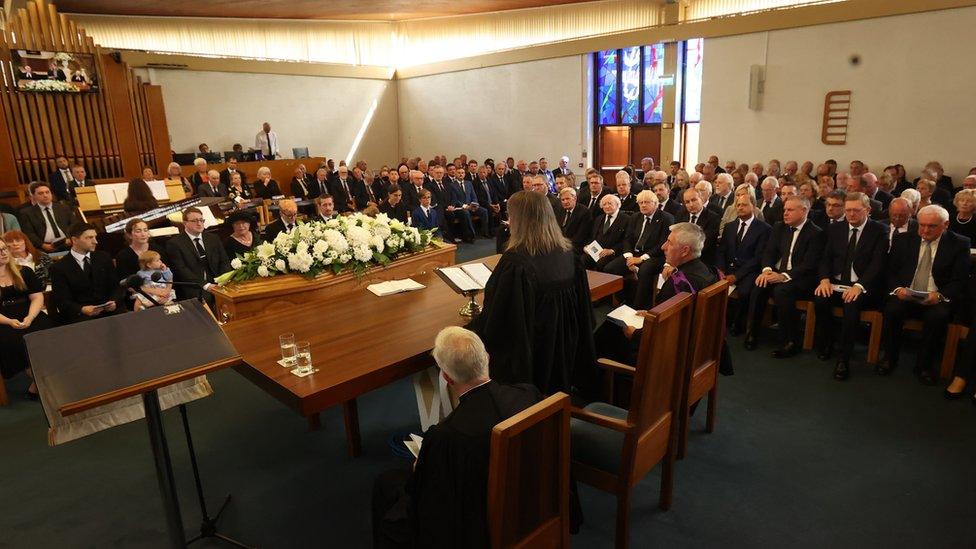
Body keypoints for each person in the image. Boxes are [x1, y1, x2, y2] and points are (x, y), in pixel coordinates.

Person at [371, 327, 541, 548]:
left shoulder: (448, 435)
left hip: (481, 520)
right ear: (487, 358)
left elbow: (430, 495)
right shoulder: (528, 394)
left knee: (386, 483)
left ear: (447, 377)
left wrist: (420, 465)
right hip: (533, 498)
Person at [468, 191, 595, 395]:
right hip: (567, 353)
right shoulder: (570, 255)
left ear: (518, 220)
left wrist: (472, 328)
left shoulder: (516, 263)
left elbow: (501, 323)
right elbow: (585, 313)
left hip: (534, 362)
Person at [592, 223, 719, 366]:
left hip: (665, 356)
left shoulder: (681, 283)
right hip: (691, 344)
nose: (663, 247)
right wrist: (650, 314)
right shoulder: (703, 271)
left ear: (685, 251)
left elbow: (668, 332)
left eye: (669, 243)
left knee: (610, 329)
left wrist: (635, 334)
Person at [878, 205, 971, 385]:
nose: (925, 230)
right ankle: (889, 358)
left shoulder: (959, 243)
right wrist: (898, 289)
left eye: (932, 226)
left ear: (946, 225)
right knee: (892, 310)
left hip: (936, 297)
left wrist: (940, 295)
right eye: (922, 225)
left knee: (938, 316)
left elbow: (960, 280)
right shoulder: (903, 239)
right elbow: (890, 271)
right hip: (906, 294)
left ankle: (925, 365)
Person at [811, 192, 888, 380]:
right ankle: (826, 342)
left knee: (852, 305)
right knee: (820, 298)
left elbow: (877, 264)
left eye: (856, 210)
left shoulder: (879, 231)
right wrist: (824, 279)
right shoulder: (836, 229)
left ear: (868, 210)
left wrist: (860, 285)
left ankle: (843, 358)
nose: (851, 214)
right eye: (848, 210)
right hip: (836, 282)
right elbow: (825, 258)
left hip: (863, 285)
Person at [744, 196, 825, 355]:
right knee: (759, 285)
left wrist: (783, 277)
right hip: (777, 272)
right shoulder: (779, 227)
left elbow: (809, 265)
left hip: (801, 278)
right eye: (785, 210)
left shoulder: (816, 233)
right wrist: (767, 270)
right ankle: (752, 333)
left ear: (804, 211)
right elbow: (769, 252)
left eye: (790, 210)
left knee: (782, 291)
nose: (785, 213)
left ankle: (790, 340)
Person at [0, 239, 53, 400]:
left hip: (29, 312)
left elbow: (37, 297)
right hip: (4, 320)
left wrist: (30, 317)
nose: (3, 253)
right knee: (15, 342)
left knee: (47, 333)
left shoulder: (24, 271)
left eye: (4, 249)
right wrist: (10, 321)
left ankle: (38, 385)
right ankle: (43, 383)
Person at [603, 190, 674, 308]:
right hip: (633, 254)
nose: (643, 205)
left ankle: (639, 306)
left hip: (655, 255)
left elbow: (662, 245)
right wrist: (629, 256)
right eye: (640, 202)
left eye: (647, 202)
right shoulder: (636, 217)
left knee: (644, 270)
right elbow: (627, 239)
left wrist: (640, 259)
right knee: (609, 268)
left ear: (656, 204)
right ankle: (625, 298)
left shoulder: (666, 218)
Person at [717, 194, 771, 335]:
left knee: (745, 291)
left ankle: (738, 323)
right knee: (712, 285)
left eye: (744, 205)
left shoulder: (763, 229)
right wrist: (721, 271)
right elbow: (721, 251)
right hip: (728, 268)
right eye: (738, 205)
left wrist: (736, 276)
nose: (740, 208)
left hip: (749, 270)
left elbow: (758, 258)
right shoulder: (730, 226)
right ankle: (719, 322)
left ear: (753, 206)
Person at [49, 222, 122, 323]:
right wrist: (81, 309)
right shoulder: (59, 267)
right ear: (74, 240)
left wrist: (114, 302)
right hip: (81, 318)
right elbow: (62, 300)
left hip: (110, 313)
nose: (95, 241)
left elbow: (116, 286)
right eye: (89, 237)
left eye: (95, 237)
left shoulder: (104, 257)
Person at [166, 207, 232, 303]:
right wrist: (206, 285)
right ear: (185, 223)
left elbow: (224, 261)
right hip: (194, 285)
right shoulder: (175, 244)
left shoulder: (213, 238)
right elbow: (181, 270)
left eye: (201, 220)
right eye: (194, 221)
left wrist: (222, 280)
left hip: (218, 282)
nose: (199, 223)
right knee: (205, 298)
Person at [18, 181, 78, 253]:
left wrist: (70, 238)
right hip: (44, 248)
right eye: (41, 193)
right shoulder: (27, 213)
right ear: (34, 196)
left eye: (47, 192)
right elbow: (29, 233)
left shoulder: (63, 208)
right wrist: (42, 245)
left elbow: (74, 224)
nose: (45, 195)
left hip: (68, 243)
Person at [114, 218, 168, 283]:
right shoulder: (123, 255)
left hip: (163, 287)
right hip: (138, 291)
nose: (143, 234)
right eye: (138, 231)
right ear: (129, 235)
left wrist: (165, 290)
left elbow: (168, 273)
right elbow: (125, 281)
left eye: (145, 230)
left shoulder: (158, 249)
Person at [585, 194, 630, 271]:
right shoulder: (599, 219)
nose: (606, 206)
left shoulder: (626, 219)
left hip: (613, 253)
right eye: (604, 204)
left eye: (610, 203)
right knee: (583, 260)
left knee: (601, 264)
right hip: (596, 252)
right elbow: (592, 237)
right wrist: (587, 246)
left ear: (617, 204)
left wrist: (612, 250)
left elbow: (626, 241)